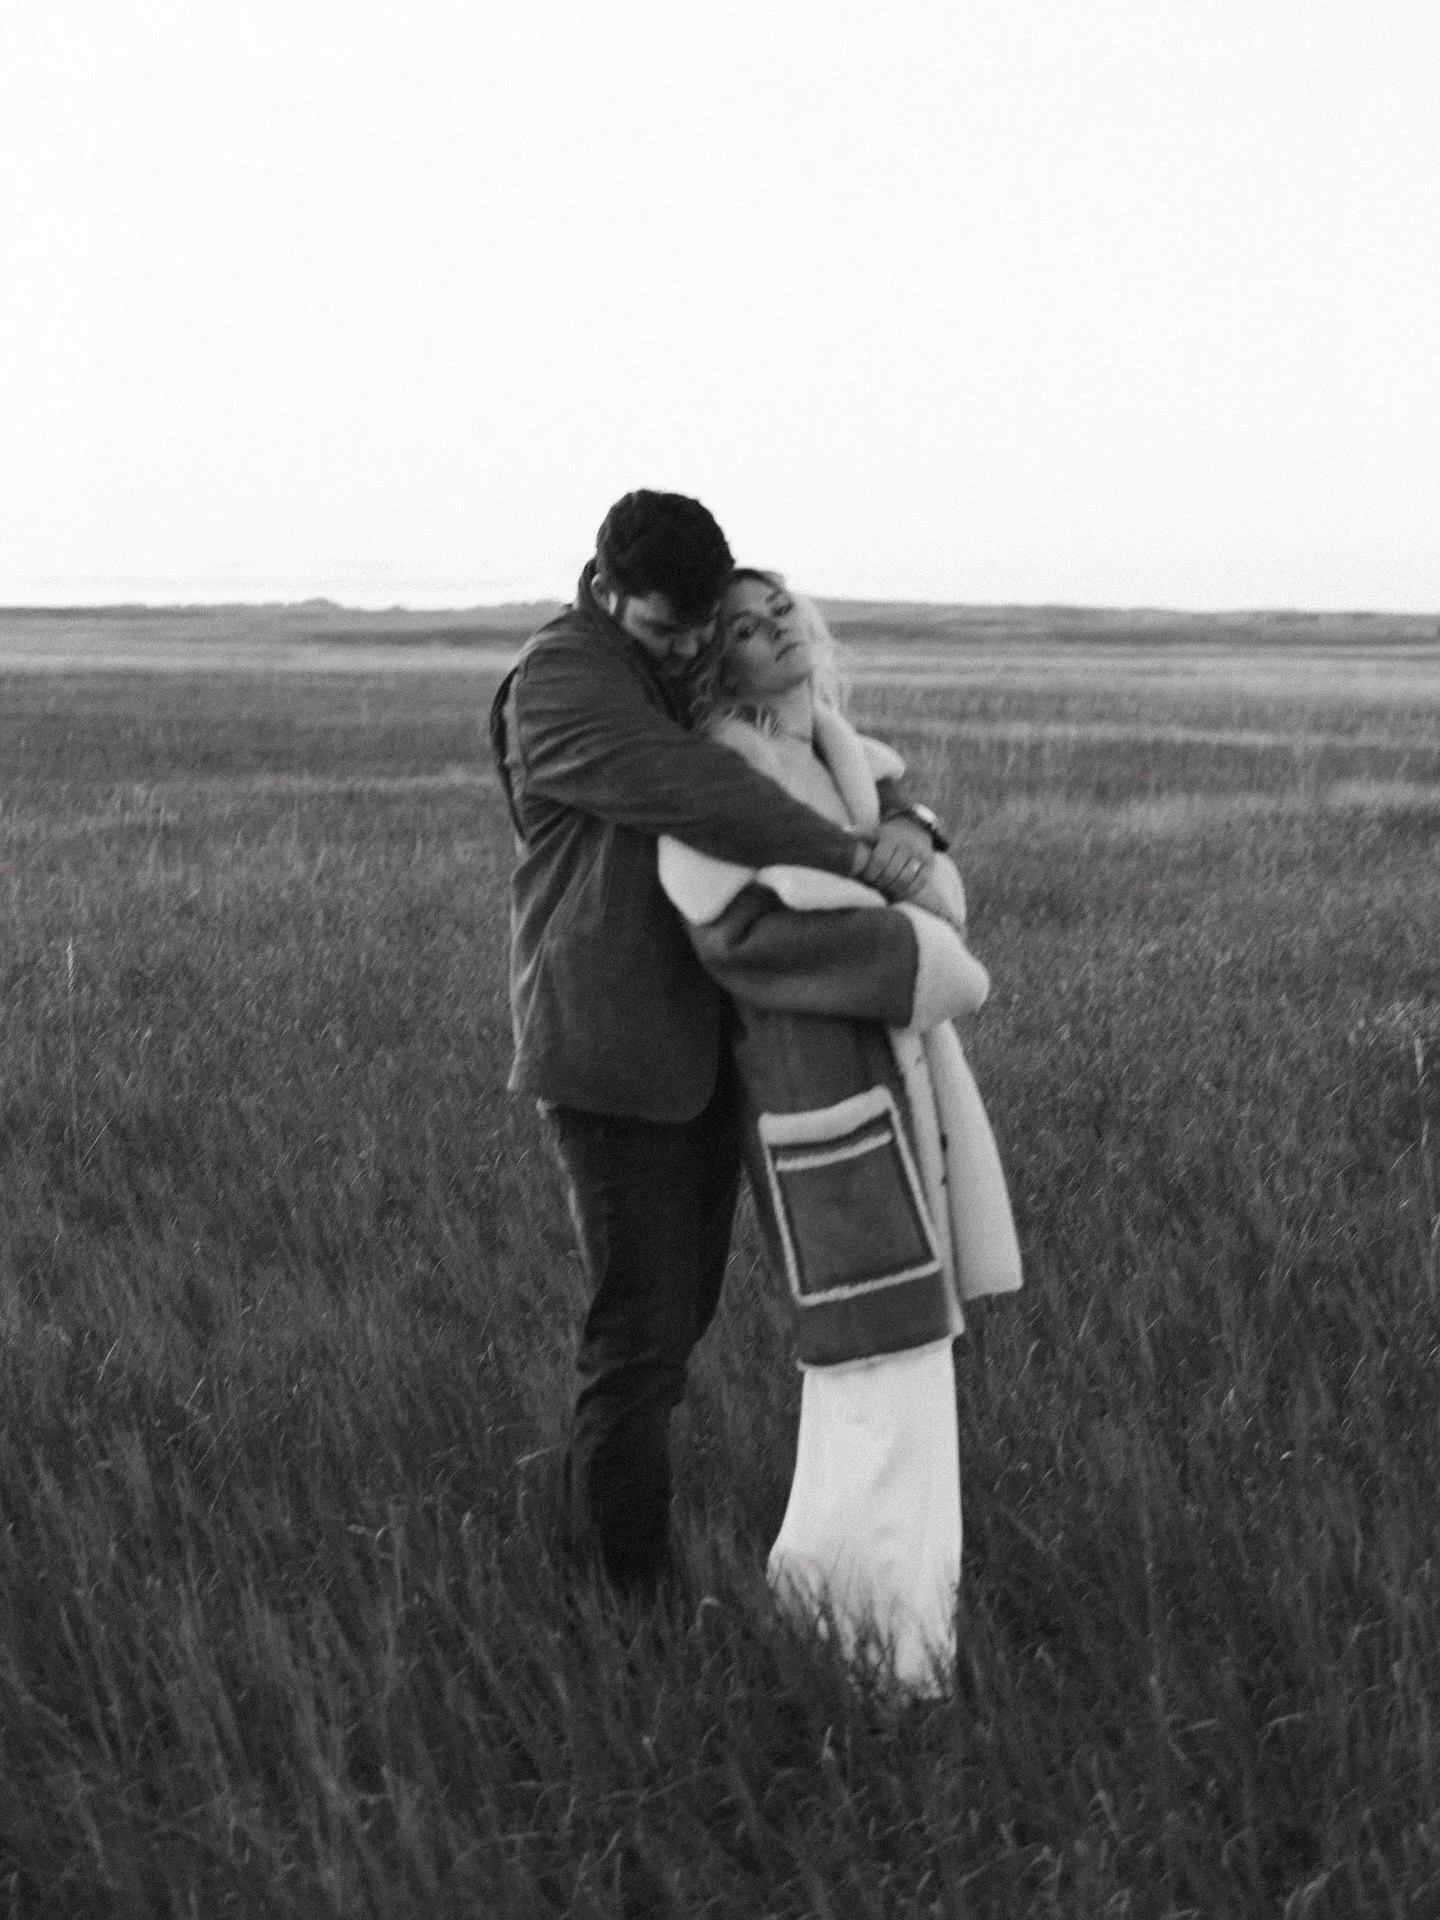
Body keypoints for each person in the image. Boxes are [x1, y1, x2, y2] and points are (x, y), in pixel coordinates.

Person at [488, 492, 953, 1599]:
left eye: (706, 631)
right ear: (605, 590)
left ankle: (598, 1559)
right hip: (612, 1055)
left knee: (670, 1329)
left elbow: (811, 737)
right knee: (640, 1338)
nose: (690, 649)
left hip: (704, 1051)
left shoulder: (674, 655)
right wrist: (857, 857)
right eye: (669, 629)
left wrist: (908, 823)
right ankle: (620, 1606)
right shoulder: (560, 681)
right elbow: (697, 790)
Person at [656, 569, 1022, 1692]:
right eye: (745, 627)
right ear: (717, 663)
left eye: (781, 612)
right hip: (816, 1079)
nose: (776, 632)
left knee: (911, 1355)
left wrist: (912, 833)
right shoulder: (719, 777)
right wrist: (911, 957)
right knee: (876, 1350)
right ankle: (889, 1656)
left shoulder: (847, 753)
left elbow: (909, 825)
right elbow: (737, 939)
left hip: (898, 1070)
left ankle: (841, 1609)